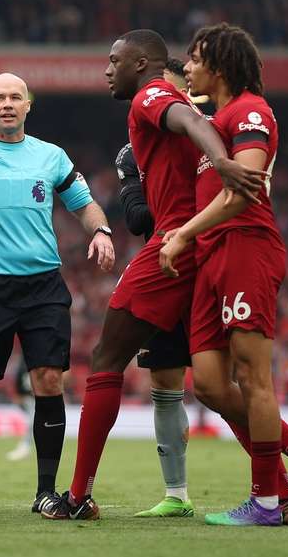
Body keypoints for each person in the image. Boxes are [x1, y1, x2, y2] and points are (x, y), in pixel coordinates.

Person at [41, 29, 267, 521]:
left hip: (176, 243)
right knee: (210, 384)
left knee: (107, 357)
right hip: (193, 242)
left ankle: (78, 497)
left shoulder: (153, 94)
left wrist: (225, 164)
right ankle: (286, 480)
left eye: (114, 59)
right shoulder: (166, 114)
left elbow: (185, 119)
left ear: (142, 64)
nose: (106, 69)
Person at [160, 23, 288, 526]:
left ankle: (266, 499)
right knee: (212, 385)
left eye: (196, 59)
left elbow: (244, 191)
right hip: (212, 257)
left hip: (246, 247)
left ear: (219, 65)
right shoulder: (215, 120)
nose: (188, 67)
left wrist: (182, 234)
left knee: (252, 376)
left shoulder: (251, 111)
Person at [0, 72, 116, 515]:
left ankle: (45, 491)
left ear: (28, 105)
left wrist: (102, 230)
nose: (8, 103)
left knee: (49, 381)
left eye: (16, 96)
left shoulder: (50, 157)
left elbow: (83, 203)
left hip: (44, 286)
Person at [115, 58, 195, 518]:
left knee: (222, 379)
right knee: (165, 380)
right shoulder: (132, 154)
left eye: (177, 95)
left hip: (207, 263)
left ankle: (272, 483)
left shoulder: (207, 135)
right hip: (165, 268)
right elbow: (136, 219)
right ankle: (177, 493)